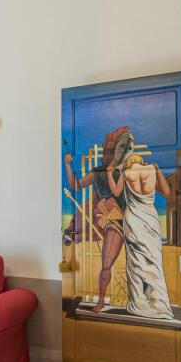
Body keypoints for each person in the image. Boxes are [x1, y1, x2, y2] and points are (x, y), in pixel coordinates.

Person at [64, 126, 133, 312]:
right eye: (121, 146)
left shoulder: (129, 170)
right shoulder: (99, 172)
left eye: (128, 147)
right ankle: (101, 300)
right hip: (113, 221)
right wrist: (68, 165)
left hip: (133, 220)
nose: (123, 151)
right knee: (106, 263)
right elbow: (76, 185)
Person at [106, 152, 174, 320]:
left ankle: (138, 302)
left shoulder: (126, 173)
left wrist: (109, 173)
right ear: (143, 161)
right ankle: (159, 303)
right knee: (154, 259)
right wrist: (158, 170)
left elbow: (116, 192)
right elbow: (167, 192)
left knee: (135, 261)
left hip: (133, 219)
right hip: (150, 219)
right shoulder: (151, 170)